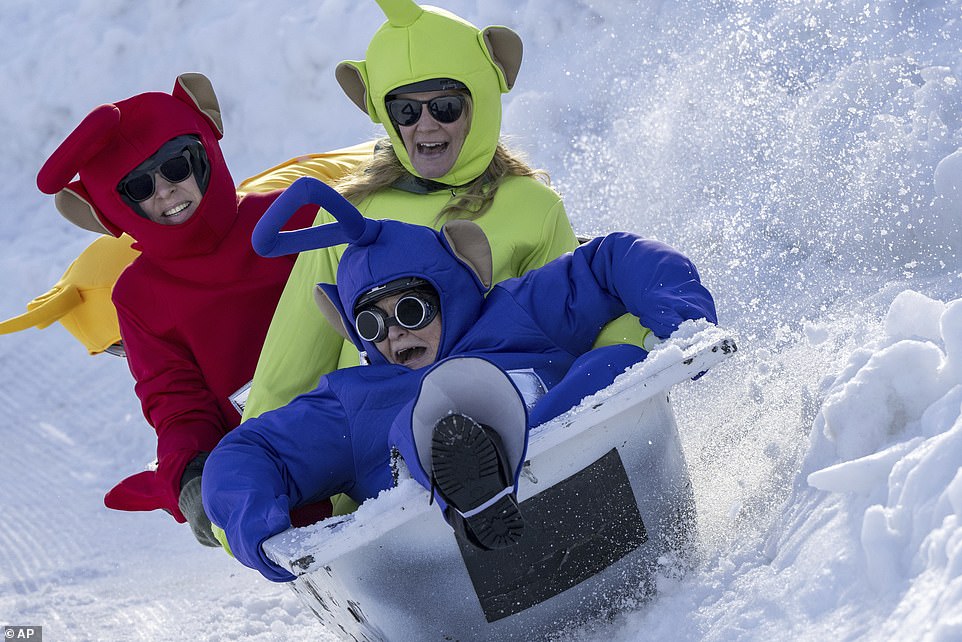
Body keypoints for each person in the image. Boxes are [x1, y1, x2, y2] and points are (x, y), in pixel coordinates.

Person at [201, 176, 717, 581]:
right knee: (418, 425)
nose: (395, 334)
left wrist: (684, 321)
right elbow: (252, 451)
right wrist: (264, 535)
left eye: (411, 307)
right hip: (455, 559)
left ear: (454, 284)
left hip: (583, 464)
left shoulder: (515, 311)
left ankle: (486, 466)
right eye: (371, 323)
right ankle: (453, 472)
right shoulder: (354, 402)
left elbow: (611, 258)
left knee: (611, 364)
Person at [241, 0, 653, 435]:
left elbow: (580, 316)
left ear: (480, 103)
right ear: (384, 115)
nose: (425, 124)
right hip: (382, 453)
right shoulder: (349, 213)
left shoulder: (531, 206)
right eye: (405, 110)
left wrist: (631, 363)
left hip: (518, 428)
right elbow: (294, 357)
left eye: (445, 107)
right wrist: (256, 451)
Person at [34, 73, 332, 548]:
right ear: (114, 209)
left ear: (204, 153)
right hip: (277, 456)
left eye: (176, 166)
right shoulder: (140, 296)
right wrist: (190, 474)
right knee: (249, 486)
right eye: (137, 187)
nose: (165, 191)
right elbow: (175, 400)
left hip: (353, 405)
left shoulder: (292, 216)